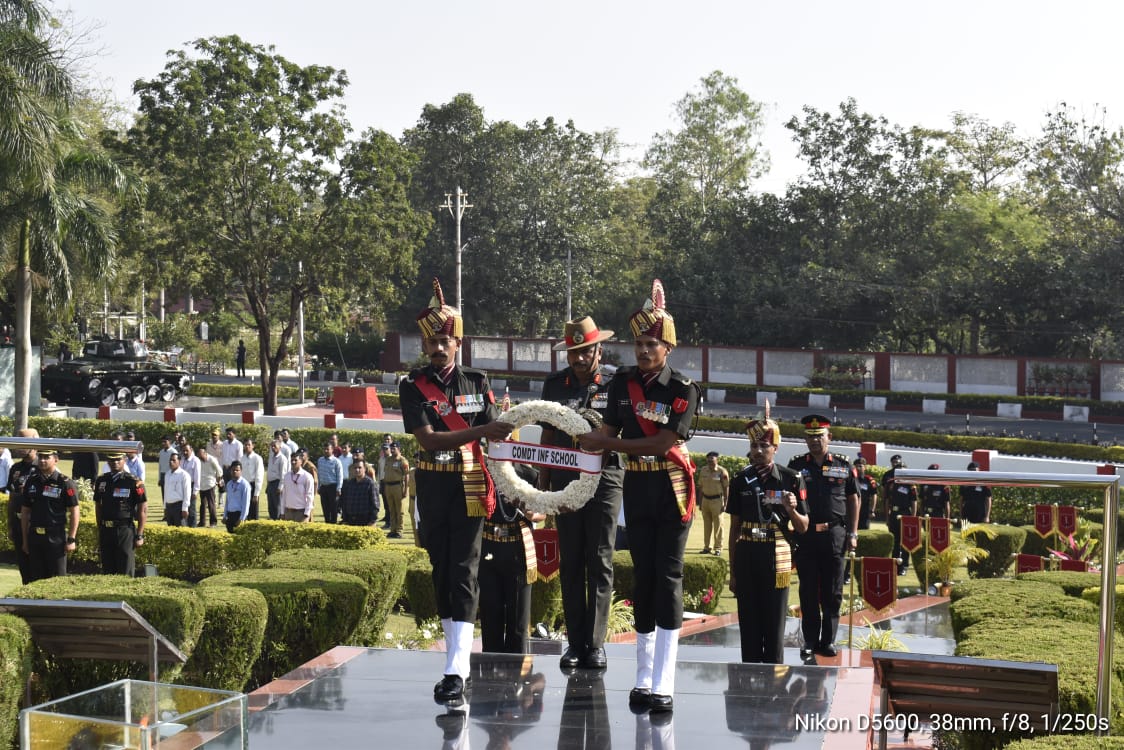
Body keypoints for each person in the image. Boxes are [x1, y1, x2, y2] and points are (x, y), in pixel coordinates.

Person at [577, 280, 700, 714]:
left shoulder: (683, 389)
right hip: (637, 486)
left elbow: (660, 443)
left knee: (667, 578)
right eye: (638, 343)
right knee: (642, 577)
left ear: (668, 347)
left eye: (652, 344)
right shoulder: (622, 384)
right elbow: (607, 432)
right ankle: (643, 677)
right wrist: (581, 440)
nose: (644, 351)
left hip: (670, 485)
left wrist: (605, 444)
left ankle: (665, 681)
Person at [399, 278, 512, 704]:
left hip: (469, 485)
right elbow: (427, 440)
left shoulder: (476, 382)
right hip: (431, 484)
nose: (438, 347)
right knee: (442, 572)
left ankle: (457, 669)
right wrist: (482, 429)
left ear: (458, 341)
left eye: (445, 339)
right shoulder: (412, 386)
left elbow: (496, 438)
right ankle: (453, 659)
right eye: (431, 341)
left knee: (464, 573)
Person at [538, 314, 624, 672]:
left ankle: (596, 644)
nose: (578, 358)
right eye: (572, 352)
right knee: (571, 559)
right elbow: (545, 433)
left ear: (598, 350)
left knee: (599, 559)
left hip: (605, 477)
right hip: (564, 478)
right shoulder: (555, 385)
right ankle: (575, 644)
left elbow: (626, 434)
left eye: (584, 351)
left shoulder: (618, 384)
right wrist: (543, 476)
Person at [728, 406, 808, 663]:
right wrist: (733, 570)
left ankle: (775, 680)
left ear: (775, 448)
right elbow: (734, 527)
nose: (758, 451)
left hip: (778, 555)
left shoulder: (791, 478)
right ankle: (748, 674)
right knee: (748, 619)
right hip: (748, 552)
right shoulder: (741, 479)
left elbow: (804, 525)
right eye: (754, 446)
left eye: (764, 446)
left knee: (774, 621)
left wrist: (791, 509)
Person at [787, 415, 859, 661]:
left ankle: (827, 640)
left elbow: (853, 498)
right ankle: (809, 640)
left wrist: (853, 533)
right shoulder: (796, 467)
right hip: (806, 537)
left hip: (835, 536)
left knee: (833, 591)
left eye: (819, 436)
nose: (814, 441)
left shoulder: (843, 465)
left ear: (830, 437)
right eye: (810, 437)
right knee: (807, 590)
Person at [478, 466, 543, 654]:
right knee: (490, 614)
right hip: (488, 546)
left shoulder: (529, 475)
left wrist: (530, 512)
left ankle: (517, 676)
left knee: (518, 620)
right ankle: (489, 673)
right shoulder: (481, 470)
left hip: (518, 548)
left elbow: (543, 512)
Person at [20, 449, 79, 582]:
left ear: (56, 459)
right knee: (36, 578)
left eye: (47, 457)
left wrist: (71, 538)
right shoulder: (32, 481)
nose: (42, 460)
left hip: (55, 537)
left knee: (57, 579)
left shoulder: (65, 482)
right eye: (40, 457)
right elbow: (25, 512)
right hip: (35, 536)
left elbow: (74, 511)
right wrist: (25, 540)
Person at [93, 451, 147, 576]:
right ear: (107, 461)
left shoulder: (134, 482)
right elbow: (98, 506)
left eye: (118, 459)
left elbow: (142, 508)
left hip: (124, 529)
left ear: (124, 460)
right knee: (107, 568)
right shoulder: (102, 480)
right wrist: (100, 527)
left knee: (125, 568)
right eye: (112, 460)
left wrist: (140, 534)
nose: (115, 463)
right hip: (106, 529)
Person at [6, 428, 40, 584]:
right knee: (23, 567)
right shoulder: (15, 469)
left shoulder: (42, 467)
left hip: (36, 524)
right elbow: (12, 499)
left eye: (23, 444)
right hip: (19, 523)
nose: (19, 448)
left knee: (37, 567)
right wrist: (11, 525)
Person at [882, 454, 918, 576]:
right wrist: (887, 517)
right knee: (895, 541)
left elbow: (914, 502)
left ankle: (904, 566)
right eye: (899, 470)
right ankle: (894, 565)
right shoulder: (890, 483)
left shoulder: (911, 485)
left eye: (903, 470)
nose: (901, 472)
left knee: (906, 541)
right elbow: (887, 500)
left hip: (905, 513)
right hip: (894, 513)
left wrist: (913, 518)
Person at [696, 451, 729, 556]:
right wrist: (700, 502)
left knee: (718, 526)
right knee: (707, 525)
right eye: (709, 460)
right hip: (705, 500)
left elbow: (726, 487)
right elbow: (700, 487)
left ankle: (718, 548)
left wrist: (726, 502)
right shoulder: (703, 470)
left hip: (717, 501)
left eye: (712, 459)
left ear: (717, 460)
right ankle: (707, 547)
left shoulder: (722, 472)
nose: (710, 461)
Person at [382, 442, 410, 538]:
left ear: (399, 448)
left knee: (399, 510)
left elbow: (406, 476)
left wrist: (405, 490)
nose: (392, 449)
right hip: (388, 486)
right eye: (391, 447)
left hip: (397, 486)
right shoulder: (388, 459)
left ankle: (399, 530)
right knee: (391, 509)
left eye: (394, 447)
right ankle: (392, 529)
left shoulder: (402, 461)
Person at [339, 459, 379, 526]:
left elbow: (375, 505)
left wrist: (372, 520)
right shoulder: (349, 484)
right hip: (350, 520)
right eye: (355, 468)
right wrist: (345, 518)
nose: (357, 470)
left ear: (365, 469)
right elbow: (345, 502)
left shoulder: (370, 484)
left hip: (365, 520)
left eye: (359, 468)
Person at [281, 452, 315, 522]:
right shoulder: (287, 476)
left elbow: (310, 496)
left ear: (301, 462)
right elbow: (284, 495)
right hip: (288, 512)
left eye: (295, 460)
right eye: (292, 460)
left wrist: (307, 513)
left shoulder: (307, 476)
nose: (293, 462)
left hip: (301, 512)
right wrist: (282, 512)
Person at [316, 442, 344, 524]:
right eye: (324, 449)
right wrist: (318, 487)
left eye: (328, 449)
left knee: (333, 508)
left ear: (332, 450)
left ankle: (333, 524)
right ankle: (327, 523)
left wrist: (339, 488)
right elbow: (319, 474)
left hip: (333, 487)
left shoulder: (336, 461)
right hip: (323, 487)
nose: (326, 451)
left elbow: (340, 476)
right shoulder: (320, 460)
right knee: (325, 507)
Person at [162, 451, 192, 526]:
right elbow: (166, 491)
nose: (171, 462)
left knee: (180, 531)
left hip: (178, 506)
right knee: (170, 531)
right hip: (169, 506)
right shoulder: (167, 474)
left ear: (179, 462)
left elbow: (187, 493)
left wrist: (185, 508)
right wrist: (165, 507)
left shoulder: (184, 475)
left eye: (174, 460)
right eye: (170, 460)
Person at [197, 445, 223, 527]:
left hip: (210, 484)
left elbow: (219, 471)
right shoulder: (198, 460)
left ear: (205, 453)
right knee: (202, 505)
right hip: (202, 485)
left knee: (211, 504)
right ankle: (202, 522)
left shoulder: (212, 459)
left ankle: (213, 523)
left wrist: (217, 481)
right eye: (199, 455)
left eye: (201, 455)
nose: (200, 457)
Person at [223, 461, 251, 532]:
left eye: (237, 470)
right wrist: (225, 515)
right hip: (230, 515)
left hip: (239, 515)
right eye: (233, 470)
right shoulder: (229, 484)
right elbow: (227, 501)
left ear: (241, 471)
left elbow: (246, 503)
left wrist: (242, 518)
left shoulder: (245, 485)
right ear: (230, 471)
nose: (235, 471)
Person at [241, 438, 265, 520]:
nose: (247, 446)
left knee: (253, 510)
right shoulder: (242, 458)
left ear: (253, 446)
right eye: (245, 445)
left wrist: (256, 493)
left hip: (253, 485)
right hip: (244, 485)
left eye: (249, 445)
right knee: (244, 508)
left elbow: (259, 476)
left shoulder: (257, 458)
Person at [180, 443, 202, 527]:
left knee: (191, 508)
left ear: (191, 450)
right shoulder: (182, 460)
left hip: (191, 486)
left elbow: (197, 477)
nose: (185, 452)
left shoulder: (195, 460)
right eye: (183, 451)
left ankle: (193, 527)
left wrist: (195, 492)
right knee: (183, 507)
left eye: (187, 450)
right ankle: (184, 526)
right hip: (182, 485)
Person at [266, 439, 287, 520]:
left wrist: (280, 487)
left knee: (277, 505)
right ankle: (272, 519)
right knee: (270, 505)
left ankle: (277, 520)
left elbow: (283, 474)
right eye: (272, 446)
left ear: (280, 447)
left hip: (277, 483)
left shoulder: (282, 458)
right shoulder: (271, 457)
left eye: (275, 446)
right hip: (270, 483)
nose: (273, 448)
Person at [157, 435, 178, 503]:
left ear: (170, 442)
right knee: (164, 495)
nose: (163, 443)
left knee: (171, 494)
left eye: (165, 441)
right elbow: (160, 466)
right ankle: (166, 510)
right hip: (163, 475)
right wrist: (159, 478)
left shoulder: (173, 451)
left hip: (171, 475)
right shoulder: (161, 452)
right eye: (162, 442)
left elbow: (176, 466)